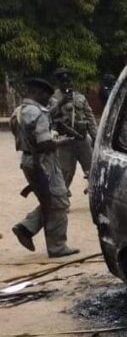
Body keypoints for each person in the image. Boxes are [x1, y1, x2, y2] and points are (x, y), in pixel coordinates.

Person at [10, 78, 80, 258]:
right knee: (60, 201)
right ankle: (57, 246)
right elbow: (45, 144)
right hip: (43, 162)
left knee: (49, 199)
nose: (48, 100)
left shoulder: (19, 111)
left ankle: (26, 228)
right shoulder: (38, 113)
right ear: (39, 93)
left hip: (28, 160)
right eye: (46, 96)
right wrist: (62, 141)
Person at [49, 68, 98, 192]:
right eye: (63, 82)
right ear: (58, 83)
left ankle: (96, 193)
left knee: (92, 169)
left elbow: (90, 116)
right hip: (65, 141)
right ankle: (62, 200)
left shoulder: (80, 97)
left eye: (68, 81)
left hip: (82, 139)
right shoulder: (53, 98)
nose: (66, 84)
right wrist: (60, 103)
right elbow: (48, 115)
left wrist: (95, 136)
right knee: (66, 172)